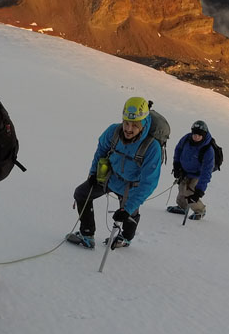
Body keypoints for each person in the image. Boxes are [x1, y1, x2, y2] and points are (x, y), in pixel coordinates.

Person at [66, 96, 163, 250]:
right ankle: (87, 234)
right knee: (81, 193)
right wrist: (93, 174)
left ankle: (125, 238)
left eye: (134, 125)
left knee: (129, 215)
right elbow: (101, 152)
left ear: (143, 125)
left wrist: (128, 209)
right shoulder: (113, 131)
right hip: (110, 178)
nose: (128, 129)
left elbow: (148, 182)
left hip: (131, 187)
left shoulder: (152, 147)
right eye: (126, 123)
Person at [168, 119, 215, 220]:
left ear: (204, 135)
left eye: (199, 135)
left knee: (190, 193)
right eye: (194, 134)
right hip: (184, 171)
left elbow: (207, 171)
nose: (196, 136)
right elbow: (178, 150)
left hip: (197, 174)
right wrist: (176, 165)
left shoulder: (208, 150)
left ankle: (200, 211)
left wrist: (200, 190)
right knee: (181, 189)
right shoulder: (186, 139)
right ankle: (182, 207)